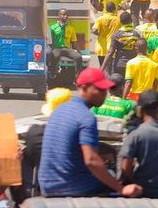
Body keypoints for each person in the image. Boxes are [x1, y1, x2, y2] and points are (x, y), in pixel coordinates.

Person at [39, 67, 141, 197]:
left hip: (47, 185)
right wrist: (121, 189)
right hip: (72, 187)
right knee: (111, 175)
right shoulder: (86, 117)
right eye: (99, 89)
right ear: (85, 87)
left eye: (105, 90)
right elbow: (91, 160)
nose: (104, 94)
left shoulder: (60, 110)